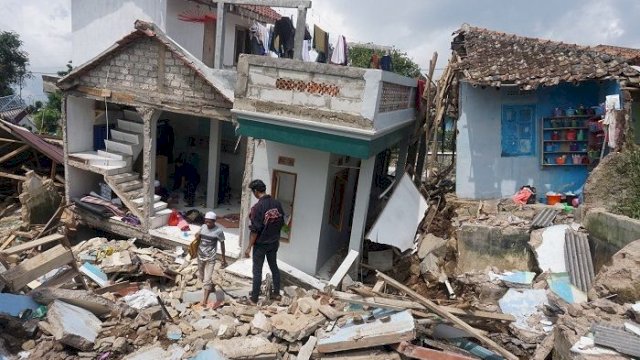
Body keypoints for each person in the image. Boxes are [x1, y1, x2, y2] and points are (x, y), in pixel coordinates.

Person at [245, 179, 284, 304]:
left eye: (253, 191)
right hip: (273, 242)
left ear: (256, 191)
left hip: (261, 244)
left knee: (257, 271)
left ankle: (254, 298)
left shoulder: (257, 207)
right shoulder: (277, 203)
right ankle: (277, 293)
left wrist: (249, 247)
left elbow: (255, 230)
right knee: (274, 266)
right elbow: (282, 221)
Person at [196, 211, 227, 308]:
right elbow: (198, 235)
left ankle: (204, 301)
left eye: (209, 222)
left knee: (207, 279)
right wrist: (197, 235)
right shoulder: (203, 227)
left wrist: (223, 258)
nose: (207, 224)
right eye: (206, 221)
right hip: (200, 256)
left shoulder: (218, 231)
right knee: (202, 277)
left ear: (214, 222)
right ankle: (211, 288)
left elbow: (222, 244)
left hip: (211, 258)